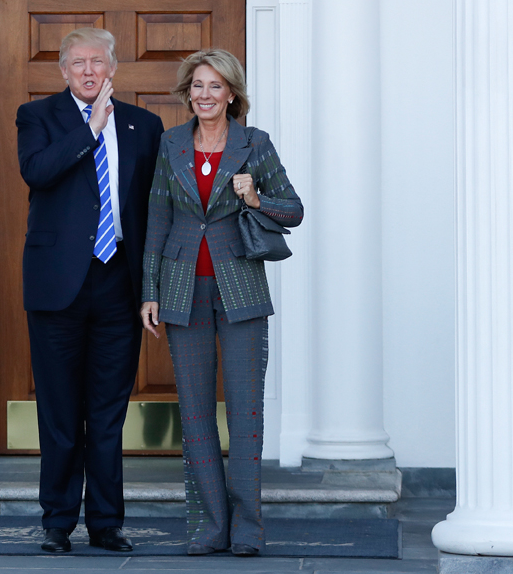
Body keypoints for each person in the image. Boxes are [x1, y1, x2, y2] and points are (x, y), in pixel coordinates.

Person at [140, 49, 303, 557]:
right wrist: (150, 290)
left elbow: (293, 211)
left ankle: (247, 530)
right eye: (197, 86)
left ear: (232, 93)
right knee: (193, 415)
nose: (205, 95)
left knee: (245, 413)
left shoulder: (256, 144)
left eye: (215, 86)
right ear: (188, 92)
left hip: (242, 293)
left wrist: (255, 198)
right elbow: (158, 220)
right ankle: (209, 528)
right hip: (183, 289)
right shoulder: (171, 143)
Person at [16, 28, 164, 554]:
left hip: (118, 282)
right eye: (77, 63)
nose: (87, 71)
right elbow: (37, 172)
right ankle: (57, 522)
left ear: (112, 69)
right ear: (62, 71)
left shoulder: (145, 126)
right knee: (59, 412)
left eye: (96, 62)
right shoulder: (37, 118)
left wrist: (153, 285)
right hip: (58, 286)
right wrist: (90, 131)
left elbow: (153, 211)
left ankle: (106, 523)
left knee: (107, 412)